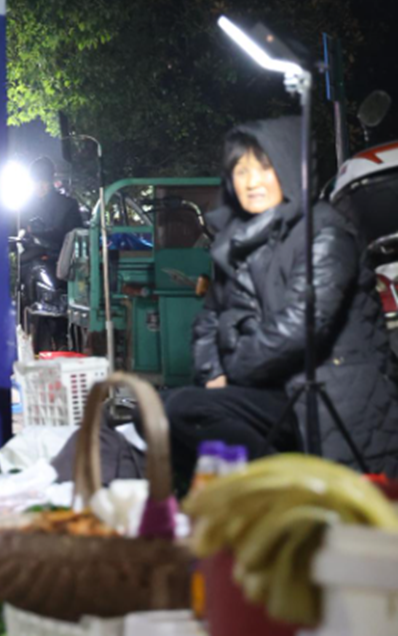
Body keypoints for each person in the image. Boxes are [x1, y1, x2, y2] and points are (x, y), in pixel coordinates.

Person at [167, 118, 398, 482]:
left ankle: (282, 487)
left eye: (264, 167)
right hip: (274, 387)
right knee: (161, 412)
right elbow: (209, 319)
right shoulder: (240, 241)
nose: (251, 181)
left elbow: (301, 325)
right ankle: (251, 496)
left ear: (289, 166)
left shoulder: (324, 230)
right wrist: (214, 372)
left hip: (329, 390)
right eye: (241, 171)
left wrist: (234, 372)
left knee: (186, 409)